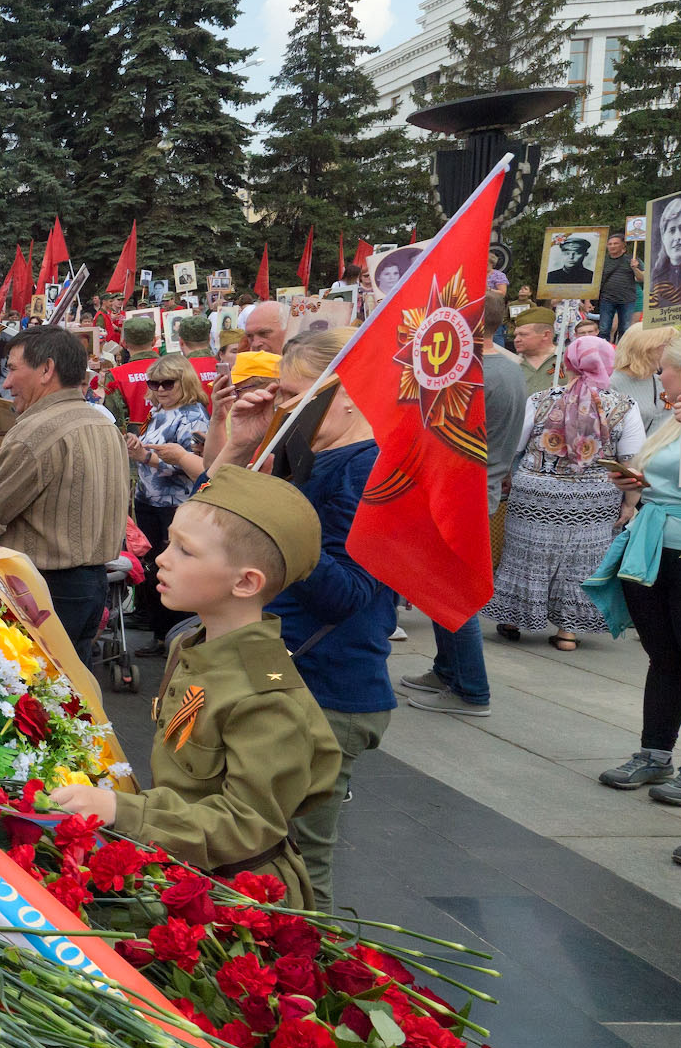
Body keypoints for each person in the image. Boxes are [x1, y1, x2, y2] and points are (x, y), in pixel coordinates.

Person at [49, 466, 344, 911]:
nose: (162, 558)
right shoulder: (192, 643)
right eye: (170, 542)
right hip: (184, 862)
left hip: (235, 897)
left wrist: (122, 811)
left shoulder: (265, 696)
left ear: (245, 582)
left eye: (185, 551)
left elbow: (247, 825)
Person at [264, 345, 396, 915]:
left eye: (294, 396)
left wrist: (283, 519)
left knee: (301, 858)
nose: (282, 407)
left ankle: (311, 962)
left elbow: (348, 594)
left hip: (326, 687)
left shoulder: (368, 467)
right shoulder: (313, 456)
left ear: (345, 395)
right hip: (286, 673)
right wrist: (236, 443)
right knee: (264, 847)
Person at [0, 326, 131, 648]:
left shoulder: (38, 432)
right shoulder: (103, 424)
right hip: (93, 586)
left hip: (45, 592)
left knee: (42, 677)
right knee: (75, 677)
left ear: (46, 370)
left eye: (13, 369)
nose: (6, 383)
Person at [594, 334, 681, 815]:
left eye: (666, 368)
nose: (658, 375)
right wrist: (634, 482)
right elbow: (662, 480)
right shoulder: (674, 418)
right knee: (664, 657)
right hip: (651, 547)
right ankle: (655, 753)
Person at [401, 325, 528, 718]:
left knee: (452, 594)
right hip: (477, 489)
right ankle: (447, 670)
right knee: (443, 589)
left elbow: (446, 435)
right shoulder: (509, 369)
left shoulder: (473, 373)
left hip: (460, 494)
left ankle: (471, 690)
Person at [492, 334, 643, 650]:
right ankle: (567, 633)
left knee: (527, 557)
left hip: (536, 494)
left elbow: (513, 445)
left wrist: (506, 476)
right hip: (596, 498)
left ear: (569, 364)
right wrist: (630, 503)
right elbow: (631, 460)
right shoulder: (625, 406)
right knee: (581, 562)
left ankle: (513, 619)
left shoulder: (541, 400)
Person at [126, 353, 210, 644]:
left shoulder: (193, 416)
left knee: (173, 571)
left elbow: (196, 468)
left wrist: (145, 457)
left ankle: (175, 636)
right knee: (152, 566)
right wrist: (138, 446)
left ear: (184, 382)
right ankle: (158, 630)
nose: (160, 389)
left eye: (168, 383)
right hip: (149, 501)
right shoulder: (159, 410)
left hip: (175, 506)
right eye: (154, 383)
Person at [609, 323, 672, 425]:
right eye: (668, 345)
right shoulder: (612, 384)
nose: (672, 350)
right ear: (646, 348)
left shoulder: (661, 380)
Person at [598, 231, 642, 341]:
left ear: (623, 245)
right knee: (604, 329)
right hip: (606, 299)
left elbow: (642, 278)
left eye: (615, 243)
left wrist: (635, 268)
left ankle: (622, 350)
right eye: (610, 244)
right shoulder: (602, 260)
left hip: (627, 300)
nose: (612, 246)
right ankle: (604, 349)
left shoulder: (632, 260)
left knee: (625, 329)